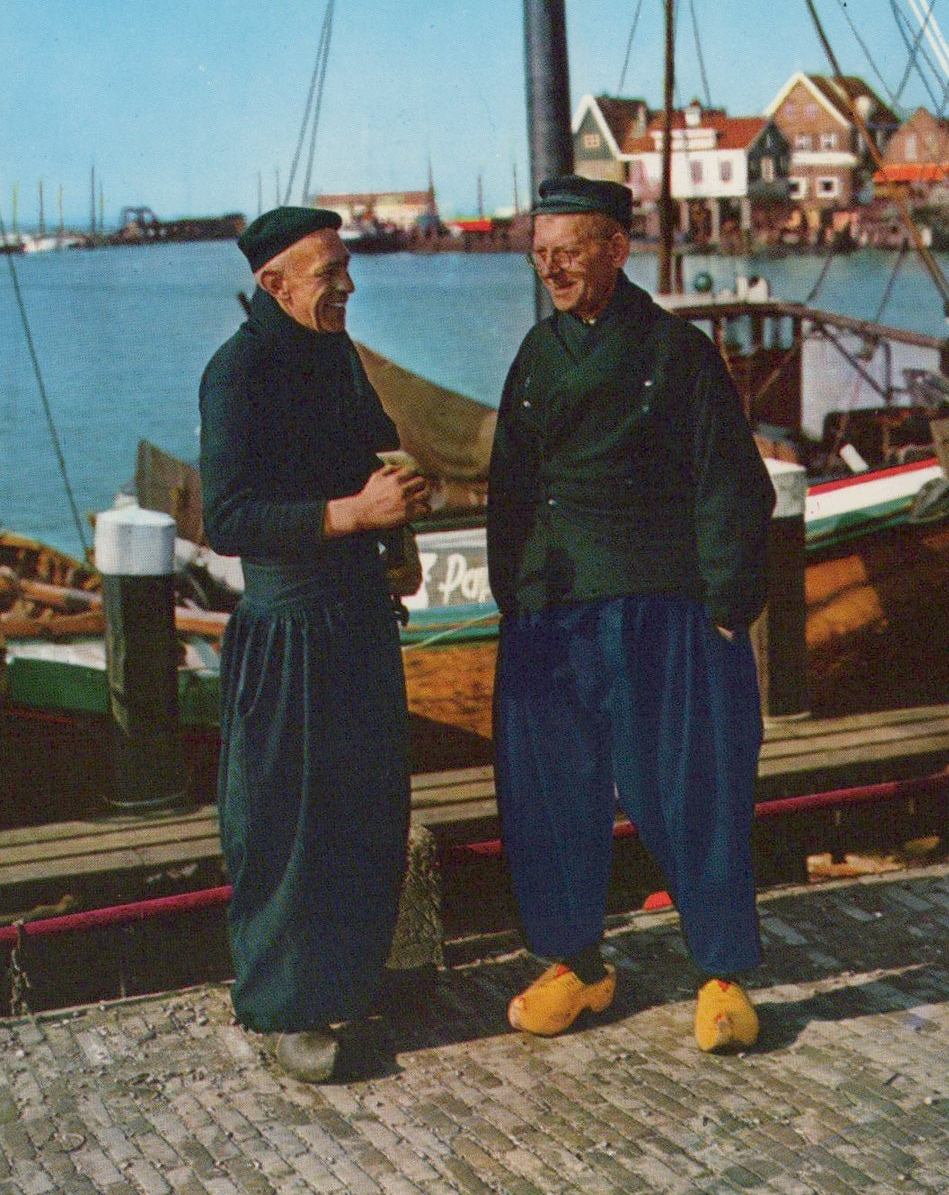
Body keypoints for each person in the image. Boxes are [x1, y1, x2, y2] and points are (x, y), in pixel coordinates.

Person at [487, 175, 776, 1051]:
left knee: (690, 789)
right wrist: (513, 596)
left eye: (569, 252)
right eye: (540, 256)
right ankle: (576, 964)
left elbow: (731, 484)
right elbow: (511, 484)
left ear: (617, 248)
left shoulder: (678, 353)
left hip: (660, 607)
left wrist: (728, 603)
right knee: (549, 796)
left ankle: (721, 975)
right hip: (552, 614)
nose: (552, 270)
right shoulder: (535, 357)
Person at [199, 206, 431, 1082]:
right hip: (289, 626)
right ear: (275, 284)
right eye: (330, 274)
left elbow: (376, 456)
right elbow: (228, 520)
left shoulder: (334, 354)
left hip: (358, 614)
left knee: (368, 808)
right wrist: (353, 516)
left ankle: (350, 979)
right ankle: (287, 1008)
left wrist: (399, 529)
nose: (349, 286)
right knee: (286, 821)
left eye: (346, 268)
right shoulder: (236, 374)